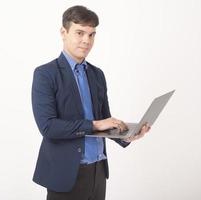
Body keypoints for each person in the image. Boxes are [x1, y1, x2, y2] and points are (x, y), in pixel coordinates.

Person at [31, 5, 150, 200]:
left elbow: (105, 120)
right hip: (66, 174)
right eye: (80, 33)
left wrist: (127, 134)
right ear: (64, 32)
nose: (87, 40)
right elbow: (48, 127)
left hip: (98, 173)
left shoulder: (97, 74)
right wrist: (95, 124)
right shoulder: (45, 74)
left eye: (92, 34)